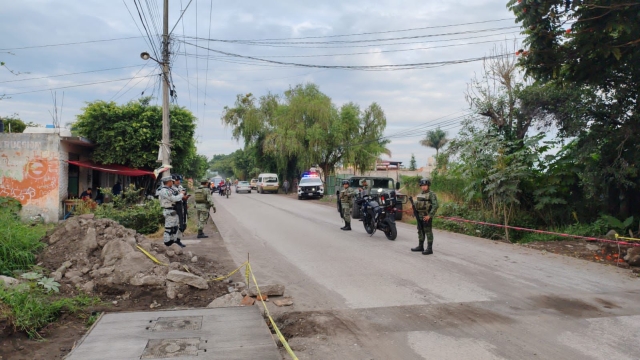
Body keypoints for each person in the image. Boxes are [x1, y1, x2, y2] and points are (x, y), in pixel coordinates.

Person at [411, 179, 439, 255]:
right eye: (422, 185)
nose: (423, 187)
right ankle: (420, 246)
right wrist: (414, 212)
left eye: (425, 185)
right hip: (419, 215)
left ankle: (429, 249)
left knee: (428, 232)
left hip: (426, 216)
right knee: (420, 230)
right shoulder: (420, 194)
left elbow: (435, 205)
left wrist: (429, 215)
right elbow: (418, 205)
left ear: (428, 186)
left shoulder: (431, 194)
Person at [158, 176, 188, 248]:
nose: (172, 182)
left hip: (174, 210)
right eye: (171, 181)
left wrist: (182, 195)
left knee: (174, 228)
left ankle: (173, 243)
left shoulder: (170, 189)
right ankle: (167, 243)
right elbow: (174, 199)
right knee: (169, 229)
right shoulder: (164, 190)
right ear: (168, 182)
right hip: (169, 210)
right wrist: (181, 194)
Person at [172, 174, 188, 243]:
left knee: (183, 225)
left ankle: (178, 240)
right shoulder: (171, 188)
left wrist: (185, 200)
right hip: (175, 208)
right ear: (172, 181)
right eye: (176, 180)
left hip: (182, 207)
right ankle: (174, 241)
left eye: (179, 180)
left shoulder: (180, 187)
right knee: (176, 226)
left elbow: (184, 195)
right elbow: (174, 199)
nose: (178, 182)